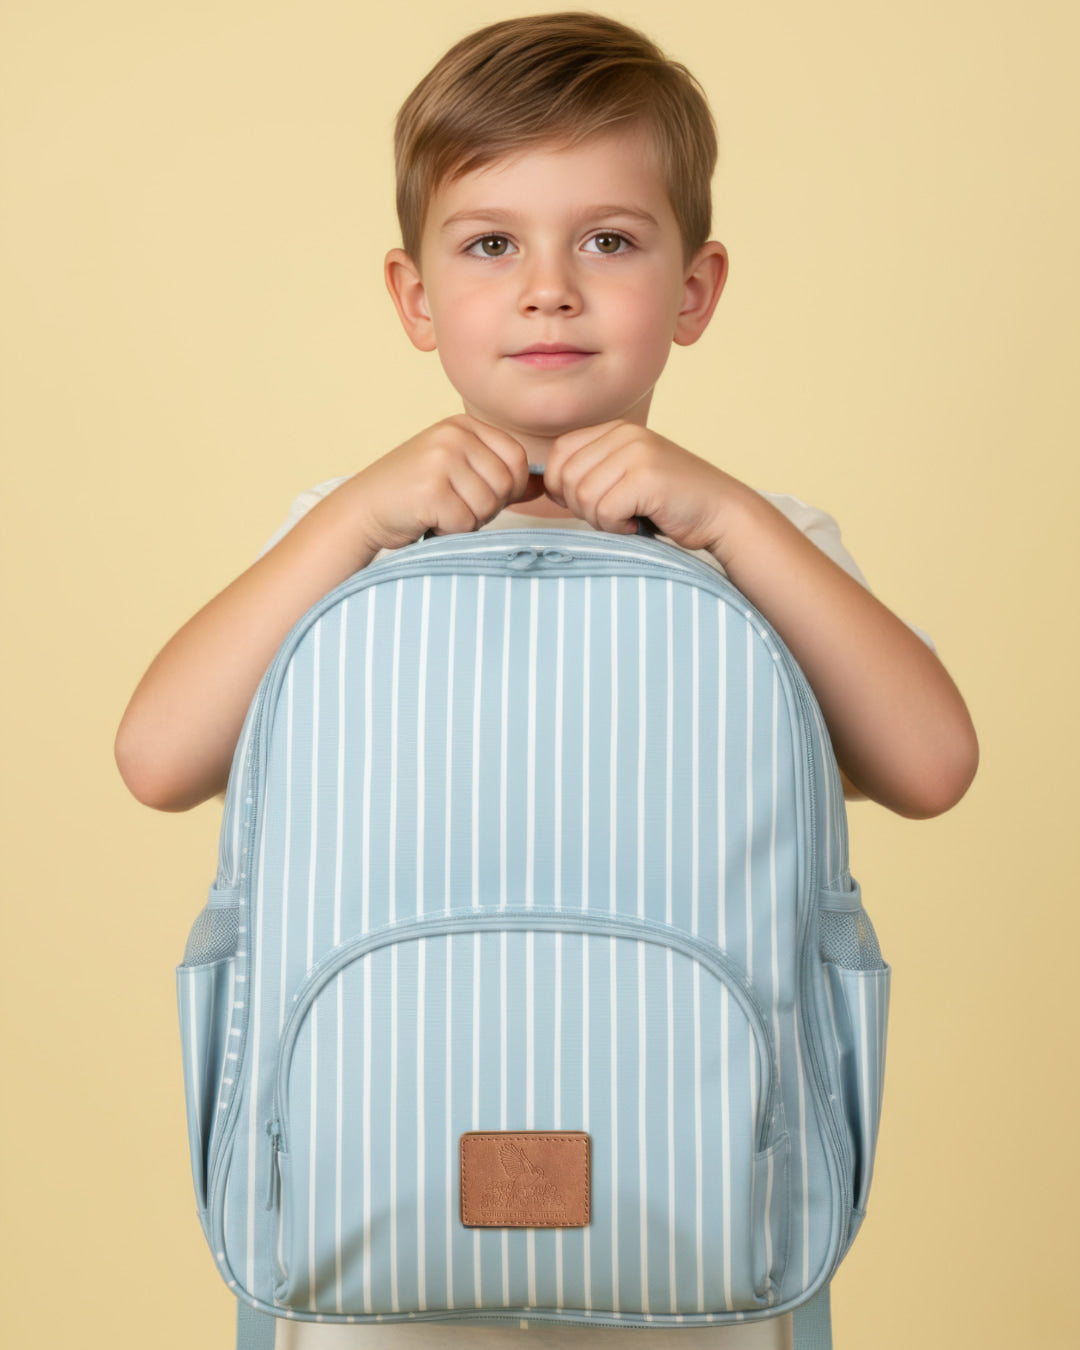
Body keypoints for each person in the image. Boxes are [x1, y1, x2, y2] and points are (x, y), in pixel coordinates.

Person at [115, 12, 978, 1347]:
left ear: (696, 288)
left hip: (705, 1259)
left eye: (612, 240)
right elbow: (158, 755)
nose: (550, 288)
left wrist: (730, 517)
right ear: (415, 296)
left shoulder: (760, 544)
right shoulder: (341, 540)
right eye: (491, 243)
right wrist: (353, 515)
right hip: (368, 1263)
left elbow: (932, 764)